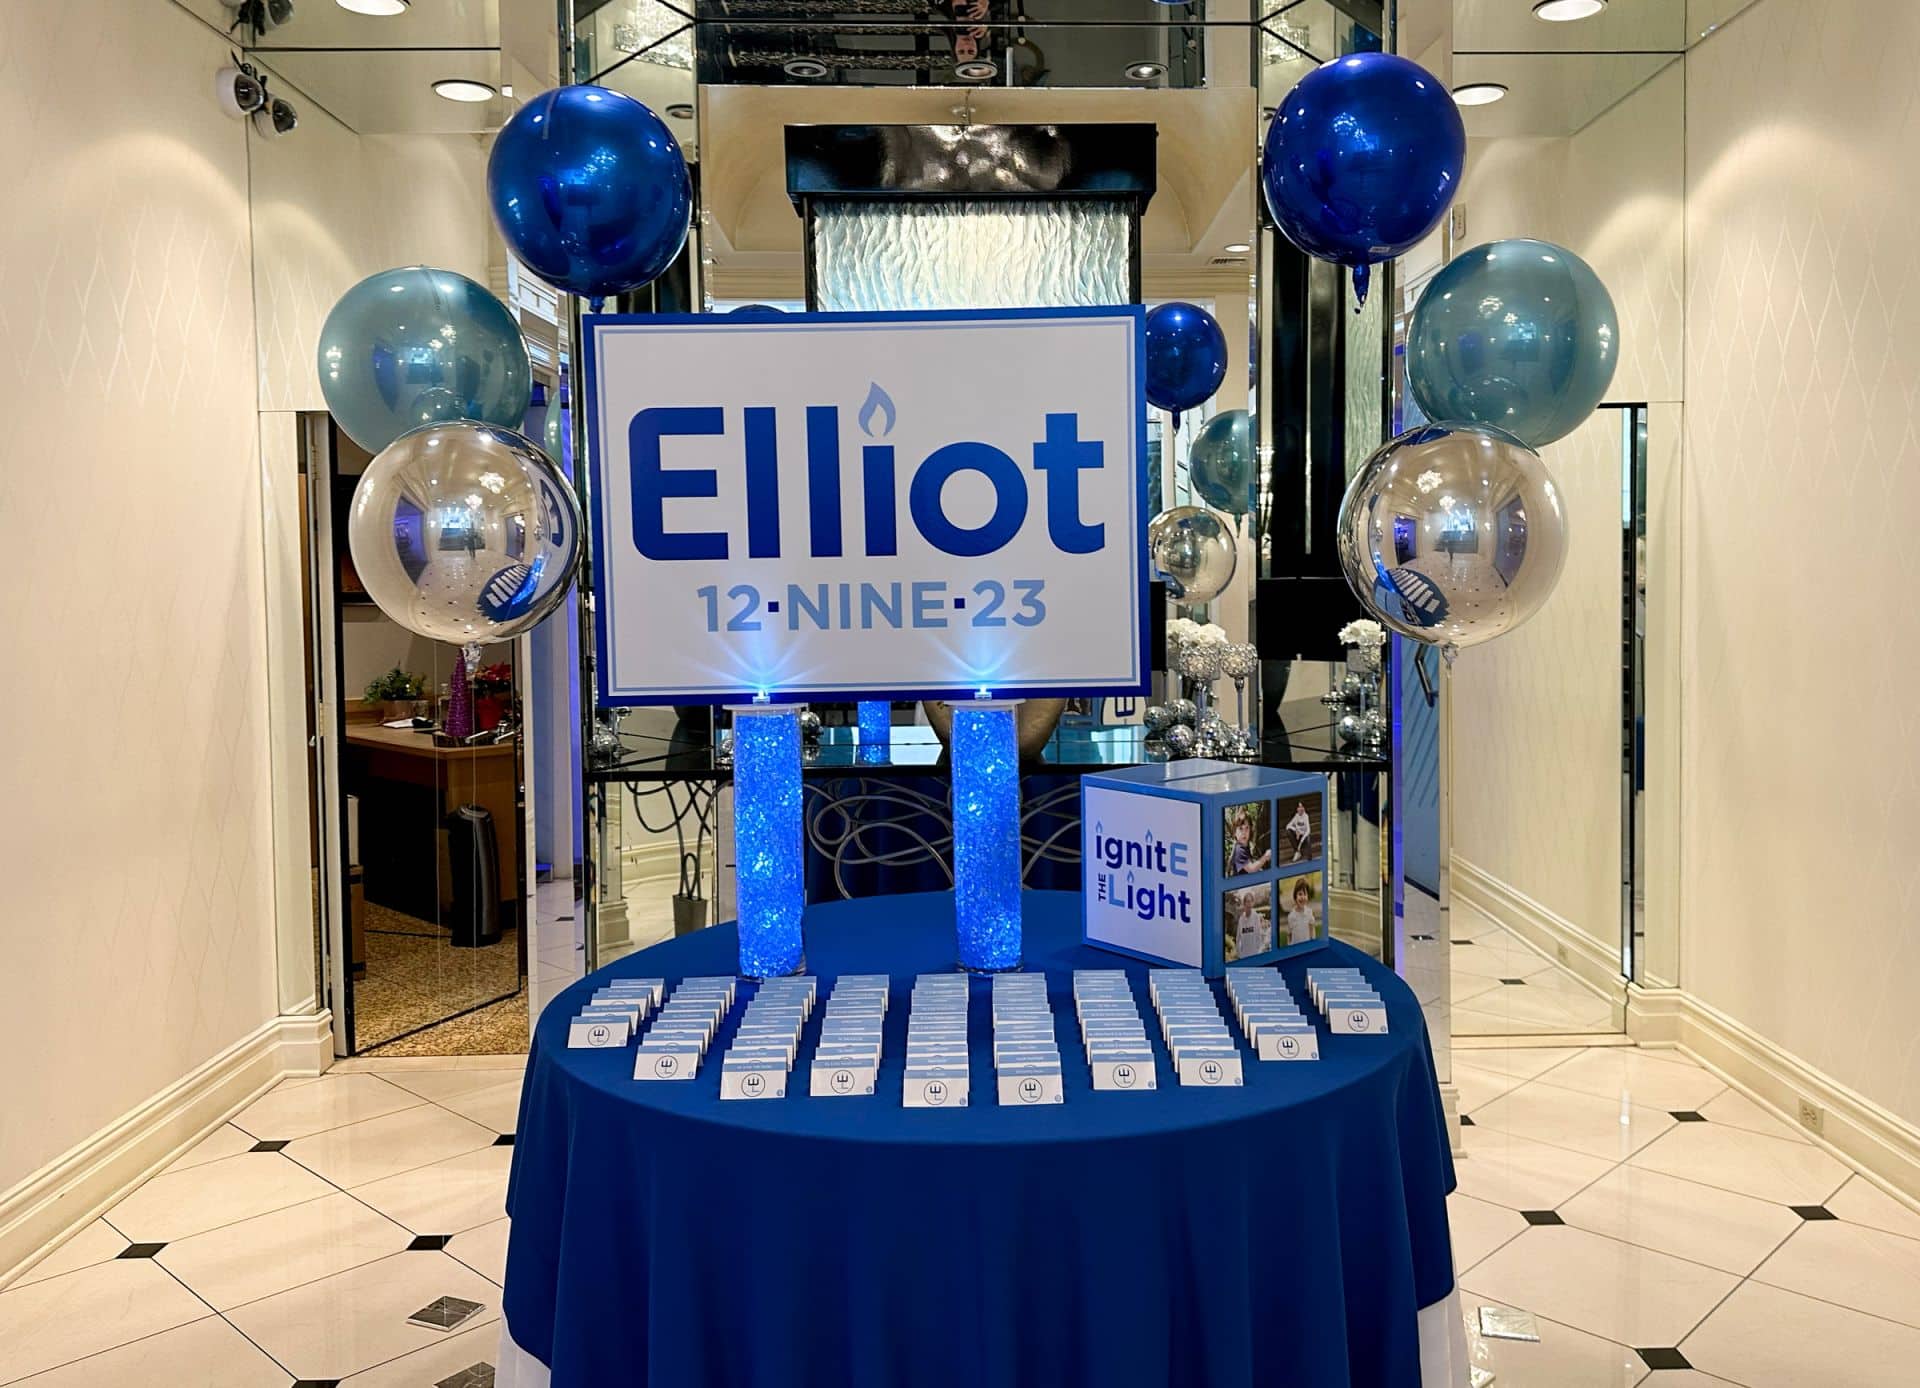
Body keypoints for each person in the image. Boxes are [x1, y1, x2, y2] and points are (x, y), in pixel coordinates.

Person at [1227, 809, 1271, 876]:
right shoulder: (1239, 850)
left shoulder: (1245, 846)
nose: (1244, 832)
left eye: (1247, 828)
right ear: (1234, 832)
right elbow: (1251, 869)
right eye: (1241, 828)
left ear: (1251, 830)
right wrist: (1265, 857)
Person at [1232, 891, 1270, 959]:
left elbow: (1259, 936)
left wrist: (1258, 951)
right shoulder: (1241, 919)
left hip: (1255, 954)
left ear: (1252, 903)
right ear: (1244, 903)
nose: (1249, 904)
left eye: (1250, 902)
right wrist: (1239, 953)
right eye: (1247, 902)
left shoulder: (1256, 916)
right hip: (1244, 955)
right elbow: (1238, 938)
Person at [1285, 879, 1317, 944]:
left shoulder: (1309, 912)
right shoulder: (1291, 916)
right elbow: (1289, 935)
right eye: (1300, 894)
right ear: (1295, 897)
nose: (1302, 897)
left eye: (1305, 894)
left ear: (1308, 896)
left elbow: (1312, 931)